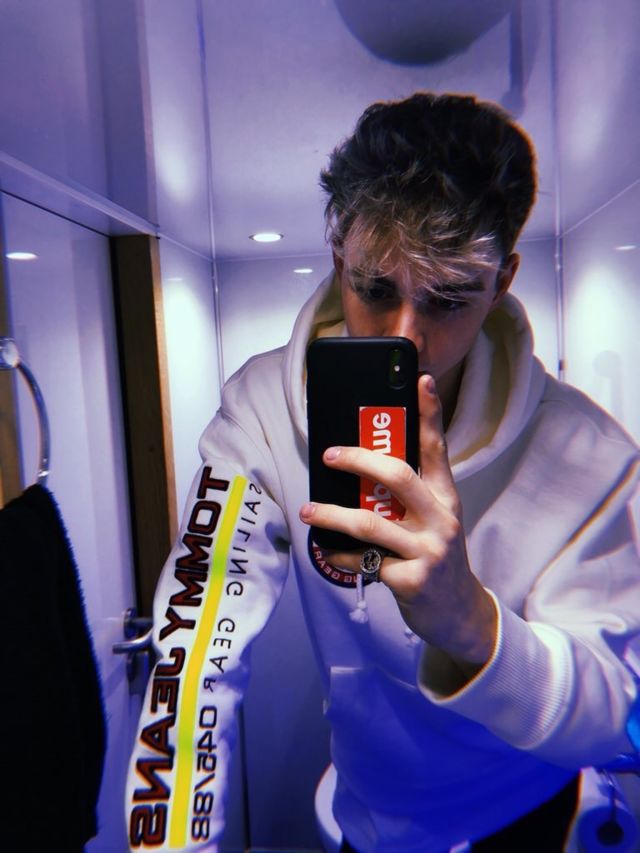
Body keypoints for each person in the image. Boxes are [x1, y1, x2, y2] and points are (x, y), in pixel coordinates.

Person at [126, 92, 640, 852]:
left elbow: (616, 719)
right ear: (340, 260)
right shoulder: (262, 410)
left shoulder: (589, 455)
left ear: (502, 282)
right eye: (375, 289)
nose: (408, 336)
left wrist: (473, 623)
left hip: (522, 811)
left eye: (449, 298)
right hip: (366, 806)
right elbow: (195, 647)